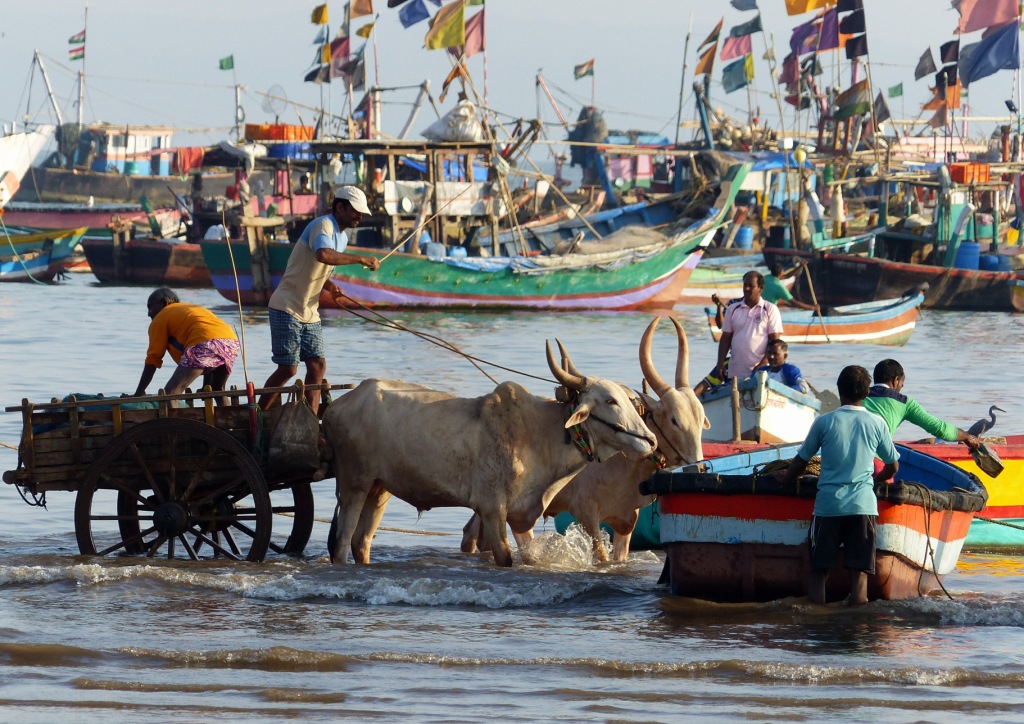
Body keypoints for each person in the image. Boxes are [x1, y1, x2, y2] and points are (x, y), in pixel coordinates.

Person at [774, 365, 900, 606]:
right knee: (859, 575)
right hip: (863, 507)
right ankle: (857, 633)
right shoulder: (877, 423)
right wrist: (875, 480)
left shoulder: (824, 422)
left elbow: (802, 460)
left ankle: (817, 623)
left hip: (828, 507)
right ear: (867, 394)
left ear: (839, 391)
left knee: (819, 572)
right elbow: (893, 467)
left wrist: (786, 478)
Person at [259, 185, 380, 414]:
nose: (359, 217)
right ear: (340, 207)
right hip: (286, 306)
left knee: (317, 366)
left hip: (309, 311)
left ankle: (310, 423)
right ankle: (257, 416)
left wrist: (330, 285)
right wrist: (361, 258)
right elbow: (322, 255)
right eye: (356, 211)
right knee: (288, 369)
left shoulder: (341, 238)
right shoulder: (323, 225)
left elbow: (318, 267)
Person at [134, 288, 241, 405]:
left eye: (151, 307)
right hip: (230, 342)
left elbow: (153, 360)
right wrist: (206, 385)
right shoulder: (190, 309)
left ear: (164, 303)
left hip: (206, 344)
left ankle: (175, 424)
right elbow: (208, 339)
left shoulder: (161, 317)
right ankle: (227, 421)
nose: (148, 313)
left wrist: (138, 394)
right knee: (217, 390)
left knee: (170, 394)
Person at [863, 359, 982, 449]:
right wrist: (966, 436)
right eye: (902, 383)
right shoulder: (905, 403)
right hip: (877, 462)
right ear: (896, 380)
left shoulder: (857, 396)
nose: (902, 387)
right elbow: (939, 428)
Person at [714, 271, 784, 382]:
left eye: (750, 286)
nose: (746, 288)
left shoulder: (770, 309)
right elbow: (725, 338)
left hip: (761, 372)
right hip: (736, 371)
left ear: (760, 288)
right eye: (745, 285)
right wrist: (720, 363)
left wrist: (763, 363)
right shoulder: (732, 309)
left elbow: (775, 342)